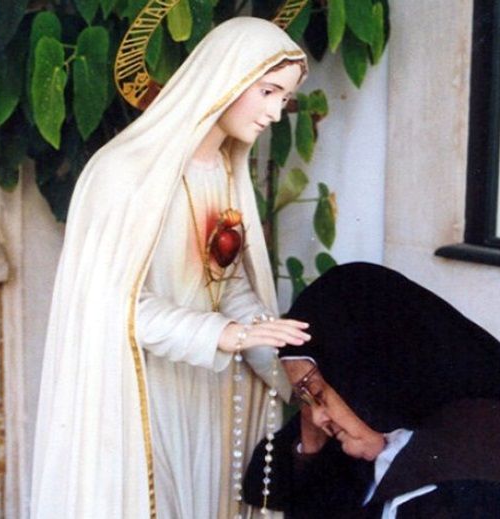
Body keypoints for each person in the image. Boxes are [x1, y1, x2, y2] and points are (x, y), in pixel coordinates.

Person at [31, 18, 312, 519]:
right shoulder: (124, 173)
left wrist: (283, 360)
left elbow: (226, 283)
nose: (274, 113)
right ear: (225, 78)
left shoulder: (224, 172)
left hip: (209, 388)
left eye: (283, 98)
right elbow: (113, 306)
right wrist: (225, 334)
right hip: (143, 392)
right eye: (268, 91)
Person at [244, 262, 500, 518]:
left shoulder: (477, 478)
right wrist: (311, 429)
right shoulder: (380, 417)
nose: (316, 415)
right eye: (305, 397)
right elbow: (263, 487)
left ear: (366, 372)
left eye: (318, 394)